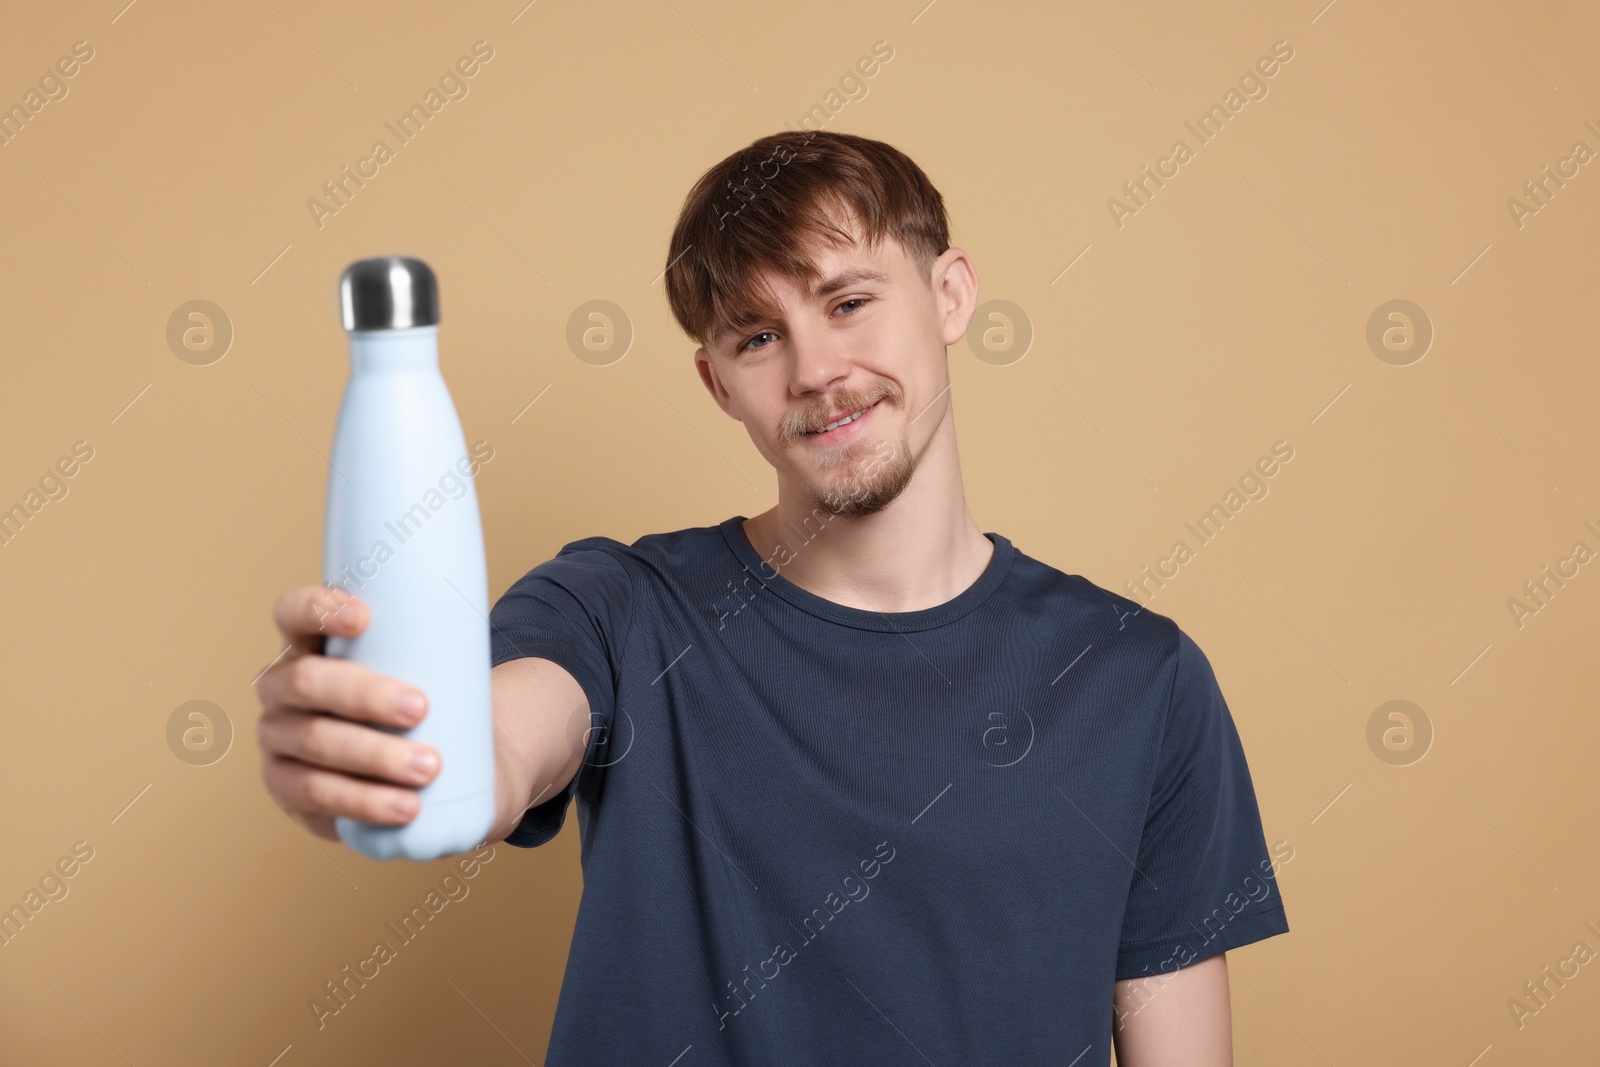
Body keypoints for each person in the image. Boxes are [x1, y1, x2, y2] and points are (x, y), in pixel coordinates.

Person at [255, 130, 1290, 1065]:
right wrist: (394, 749)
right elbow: (500, 739)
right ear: (716, 381)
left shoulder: (1136, 677)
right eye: (757, 336)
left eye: (847, 302)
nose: (816, 369)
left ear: (950, 294)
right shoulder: (623, 607)